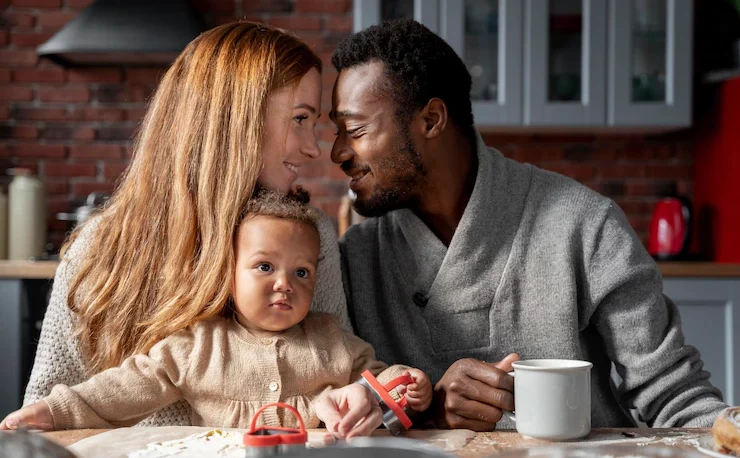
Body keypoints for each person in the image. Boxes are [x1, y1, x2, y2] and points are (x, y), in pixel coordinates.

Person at [316, 19, 728, 431]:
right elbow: (343, 414)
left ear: (432, 120)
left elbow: (675, 395)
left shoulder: (584, 225)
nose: (337, 153)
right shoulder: (355, 257)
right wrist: (429, 410)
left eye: (354, 130)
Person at [21, 21, 351, 427]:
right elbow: (37, 425)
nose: (313, 148)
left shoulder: (308, 236)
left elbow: (344, 369)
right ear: (234, 118)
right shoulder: (99, 246)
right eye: (301, 118)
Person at [1, 190, 432, 434]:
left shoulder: (331, 340)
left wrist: (409, 385)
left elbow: (379, 378)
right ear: (229, 276)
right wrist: (54, 410)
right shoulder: (198, 344)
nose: (285, 283)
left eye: (301, 272)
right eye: (265, 267)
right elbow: (122, 390)